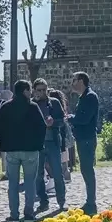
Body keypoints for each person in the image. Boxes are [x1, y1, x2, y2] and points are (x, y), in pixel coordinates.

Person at [0, 79, 47, 222]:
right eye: (30, 89)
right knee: (30, 182)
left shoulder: (6, 107)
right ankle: (29, 213)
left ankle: (14, 214)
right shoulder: (32, 107)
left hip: (12, 149)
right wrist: (39, 144)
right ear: (25, 91)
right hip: (30, 150)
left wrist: (5, 142)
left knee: (12, 183)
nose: (31, 92)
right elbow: (42, 126)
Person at [68, 72, 101, 215]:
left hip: (87, 138)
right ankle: (89, 201)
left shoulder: (90, 97)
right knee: (85, 170)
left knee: (87, 170)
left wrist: (70, 117)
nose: (72, 83)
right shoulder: (84, 97)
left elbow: (84, 118)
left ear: (81, 81)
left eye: (74, 80)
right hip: (83, 138)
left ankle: (91, 203)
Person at [33, 79, 67, 213]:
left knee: (57, 173)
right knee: (38, 175)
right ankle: (43, 202)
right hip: (38, 144)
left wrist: (53, 122)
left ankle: (61, 202)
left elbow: (62, 121)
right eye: (39, 90)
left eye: (44, 90)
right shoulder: (33, 104)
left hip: (53, 142)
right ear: (35, 90)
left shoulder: (54, 102)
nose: (42, 93)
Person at [50, 87, 75, 183]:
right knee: (65, 161)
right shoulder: (63, 112)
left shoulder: (54, 110)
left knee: (59, 161)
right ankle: (67, 177)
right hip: (64, 141)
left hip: (59, 139)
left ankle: (60, 178)